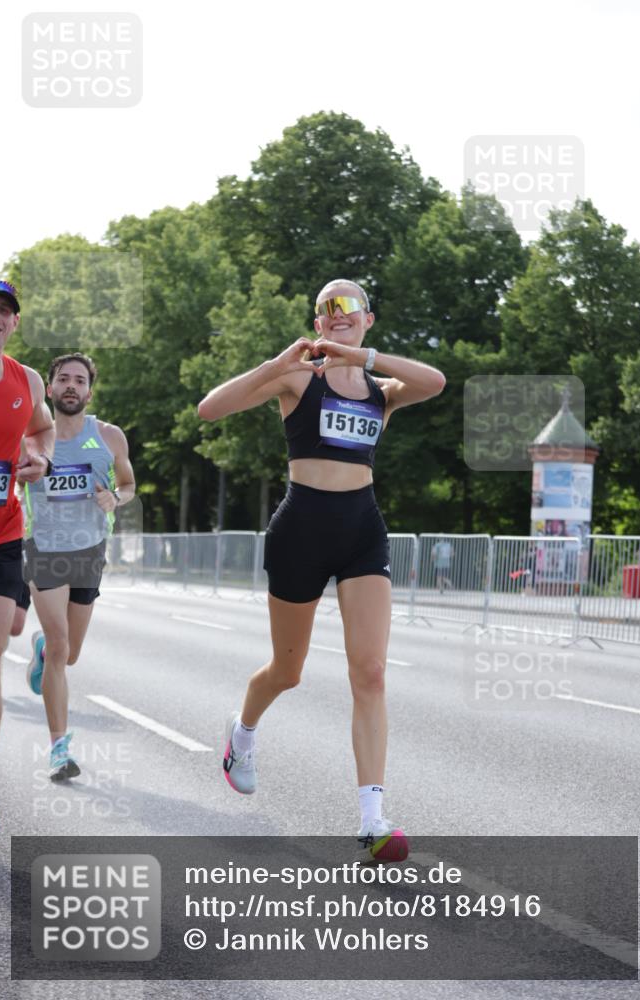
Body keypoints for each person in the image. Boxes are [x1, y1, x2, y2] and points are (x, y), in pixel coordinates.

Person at [198, 279, 446, 861]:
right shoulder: (297, 377)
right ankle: (243, 734)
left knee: (372, 672)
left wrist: (363, 359)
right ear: (316, 321)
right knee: (288, 672)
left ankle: (372, 818)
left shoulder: (382, 391)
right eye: (326, 308)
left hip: (362, 531)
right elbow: (210, 409)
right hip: (300, 531)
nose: (337, 315)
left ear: (367, 319)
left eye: (348, 306)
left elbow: (434, 382)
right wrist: (271, 365)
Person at [22, 353, 135, 781]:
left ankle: (42, 651)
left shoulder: (109, 437)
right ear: (49, 389)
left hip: (89, 551)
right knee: (60, 644)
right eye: (63, 379)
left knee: (69, 654)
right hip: (43, 548)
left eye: (80, 380)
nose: (71, 386)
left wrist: (116, 498)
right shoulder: (30, 439)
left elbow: (128, 485)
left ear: (90, 390)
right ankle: (58, 750)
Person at [0, 279, 55, 835]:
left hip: (2, 534)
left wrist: (39, 459)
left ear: (14, 324)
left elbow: (42, 430)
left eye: (2, 311)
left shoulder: (27, 380)